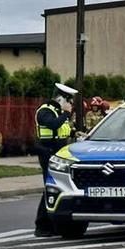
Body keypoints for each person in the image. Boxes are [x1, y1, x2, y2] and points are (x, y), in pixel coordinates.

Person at [34, 82, 77, 237]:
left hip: (59, 156)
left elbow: (62, 131)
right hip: (47, 154)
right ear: (60, 99)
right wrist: (66, 114)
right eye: (69, 100)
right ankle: (41, 225)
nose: (71, 104)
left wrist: (75, 134)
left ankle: (52, 225)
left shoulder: (57, 112)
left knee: (57, 188)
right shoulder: (45, 111)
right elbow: (52, 125)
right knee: (50, 188)